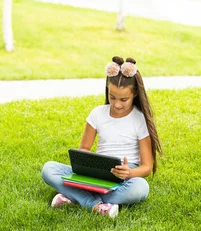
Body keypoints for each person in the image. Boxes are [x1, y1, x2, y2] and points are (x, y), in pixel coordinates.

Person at [41, 56, 162, 218]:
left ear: (134, 94)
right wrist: (86, 167)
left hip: (125, 177)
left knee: (141, 188)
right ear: (107, 90)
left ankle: (73, 195)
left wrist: (128, 173)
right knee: (49, 169)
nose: (117, 104)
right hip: (96, 171)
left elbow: (146, 167)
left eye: (124, 99)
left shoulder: (140, 119)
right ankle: (97, 205)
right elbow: (84, 149)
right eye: (112, 97)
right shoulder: (97, 114)